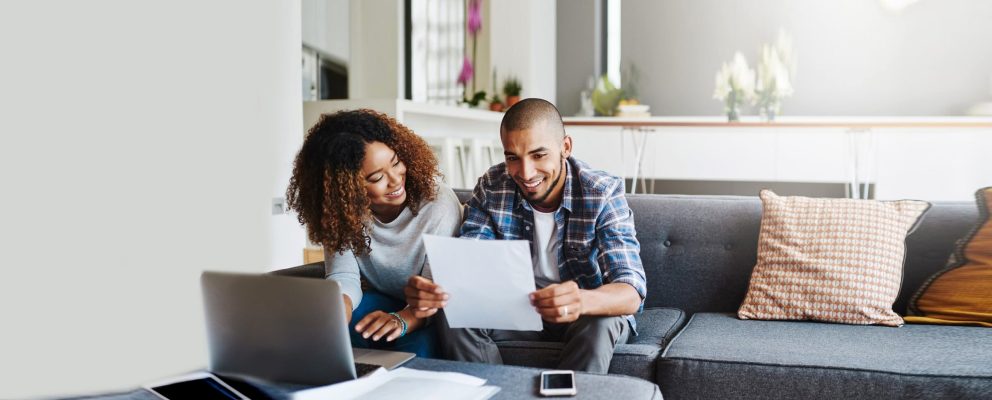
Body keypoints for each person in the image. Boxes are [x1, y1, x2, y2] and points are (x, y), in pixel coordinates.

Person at [404, 98, 647, 373]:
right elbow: (471, 259)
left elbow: (631, 290)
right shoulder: (493, 187)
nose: (526, 172)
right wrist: (435, 289)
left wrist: (581, 300)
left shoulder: (601, 192)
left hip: (584, 313)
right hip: (519, 312)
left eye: (538, 155)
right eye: (512, 158)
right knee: (452, 312)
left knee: (601, 322)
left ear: (565, 147)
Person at [286, 109, 462, 358]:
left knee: (418, 354)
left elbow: (434, 294)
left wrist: (401, 320)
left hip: (428, 313)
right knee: (334, 336)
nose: (395, 180)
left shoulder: (437, 204)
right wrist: (339, 307)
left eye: (396, 163)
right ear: (345, 187)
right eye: (377, 177)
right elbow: (344, 275)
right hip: (380, 300)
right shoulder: (341, 211)